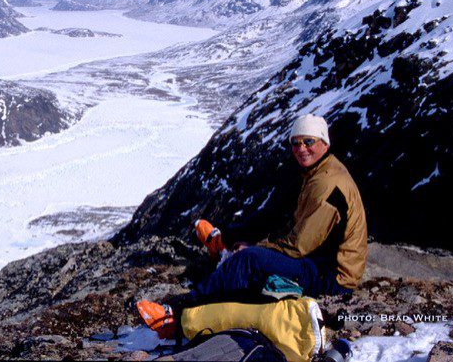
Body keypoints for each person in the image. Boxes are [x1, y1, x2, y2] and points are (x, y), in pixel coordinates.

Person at [137, 114, 368, 338]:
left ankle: (178, 313)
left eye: (309, 142)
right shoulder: (318, 173)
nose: (301, 148)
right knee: (261, 236)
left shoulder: (326, 185)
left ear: (324, 143)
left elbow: (300, 246)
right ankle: (223, 245)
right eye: (296, 143)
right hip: (321, 262)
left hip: (333, 278)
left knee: (250, 260)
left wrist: (257, 249)